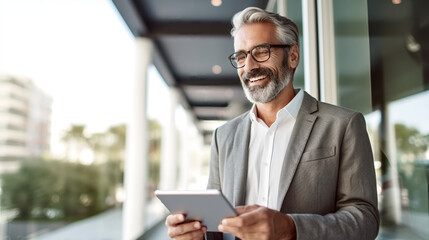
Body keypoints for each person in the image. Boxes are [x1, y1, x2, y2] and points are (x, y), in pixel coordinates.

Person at [166, 6, 379, 240]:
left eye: (261, 51)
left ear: (293, 55)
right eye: (241, 56)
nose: (249, 67)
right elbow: (217, 225)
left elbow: (364, 220)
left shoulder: (344, 125)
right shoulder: (223, 137)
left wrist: (291, 227)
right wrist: (196, 234)